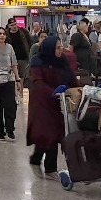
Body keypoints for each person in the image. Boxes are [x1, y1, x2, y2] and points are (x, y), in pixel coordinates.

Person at [26, 36, 73, 178]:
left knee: (53, 133)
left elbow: (70, 78)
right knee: (48, 133)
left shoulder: (62, 61)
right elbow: (37, 82)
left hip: (58, 102)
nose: (60, 50)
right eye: (57, 48)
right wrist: (52, 92)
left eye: (60, 47)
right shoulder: (37, 62)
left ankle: (41, 162)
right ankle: (46, 166)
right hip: (41, 102)